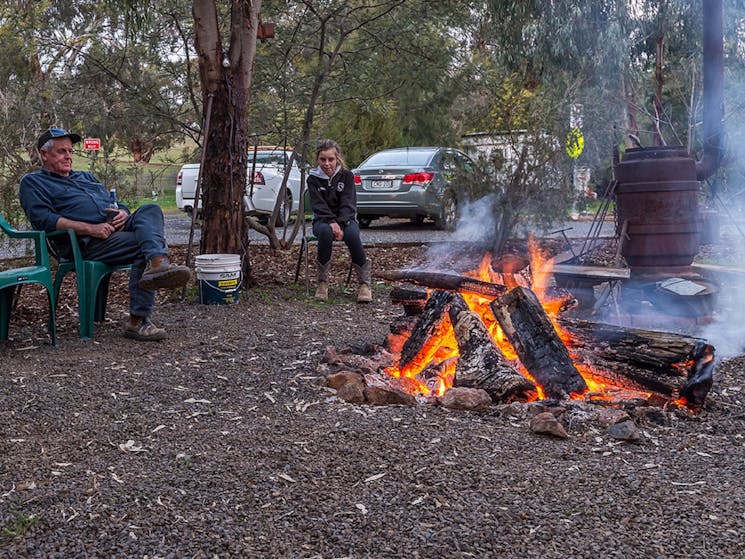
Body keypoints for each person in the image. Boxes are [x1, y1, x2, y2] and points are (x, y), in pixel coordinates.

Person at [19, 127, 191, 341]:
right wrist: (90, 228)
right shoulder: (33, 182)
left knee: (150, 210)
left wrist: (123, 212)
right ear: (44, 154)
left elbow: (116, 203)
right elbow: (43, 220)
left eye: (70, 151)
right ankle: (138, 319)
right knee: (142, 245)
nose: (68, 156)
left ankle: (157, 265)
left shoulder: (86, 177)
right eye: (61, 151)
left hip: (113, 231)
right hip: (84, 244)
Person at [306, 139, 371, 303]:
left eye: (330, 159)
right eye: (323, 159)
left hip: (346, 220)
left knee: (352, 235)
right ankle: (322, 283)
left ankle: (364, 284)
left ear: (337, 159)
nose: (327, 164)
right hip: (322, 221)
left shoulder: (347, 176)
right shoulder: (313, 179)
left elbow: (349, 204)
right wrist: (331, 223)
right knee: (326, 233)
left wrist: (340, 224)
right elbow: (318, 205)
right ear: (318, 159)